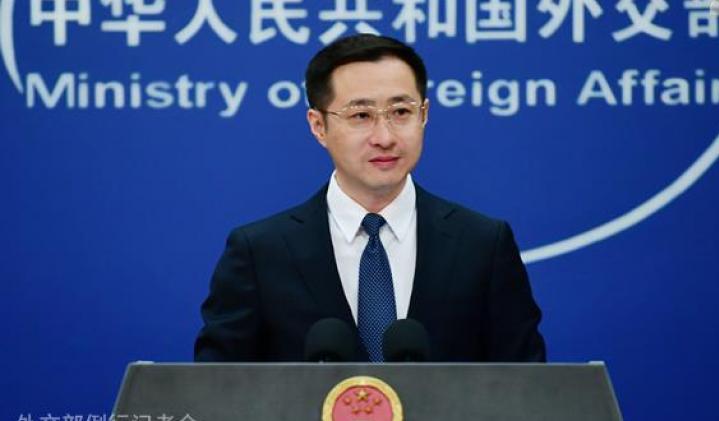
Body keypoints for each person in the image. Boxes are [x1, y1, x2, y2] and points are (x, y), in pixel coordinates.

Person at [194, 34, 545, 363]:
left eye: (401, 112)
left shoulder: (483, 244)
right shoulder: (259, 252)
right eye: (361, 116)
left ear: (424, 115)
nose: (384, 137)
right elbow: (218, 387)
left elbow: (526, 385)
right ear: (318, 126)